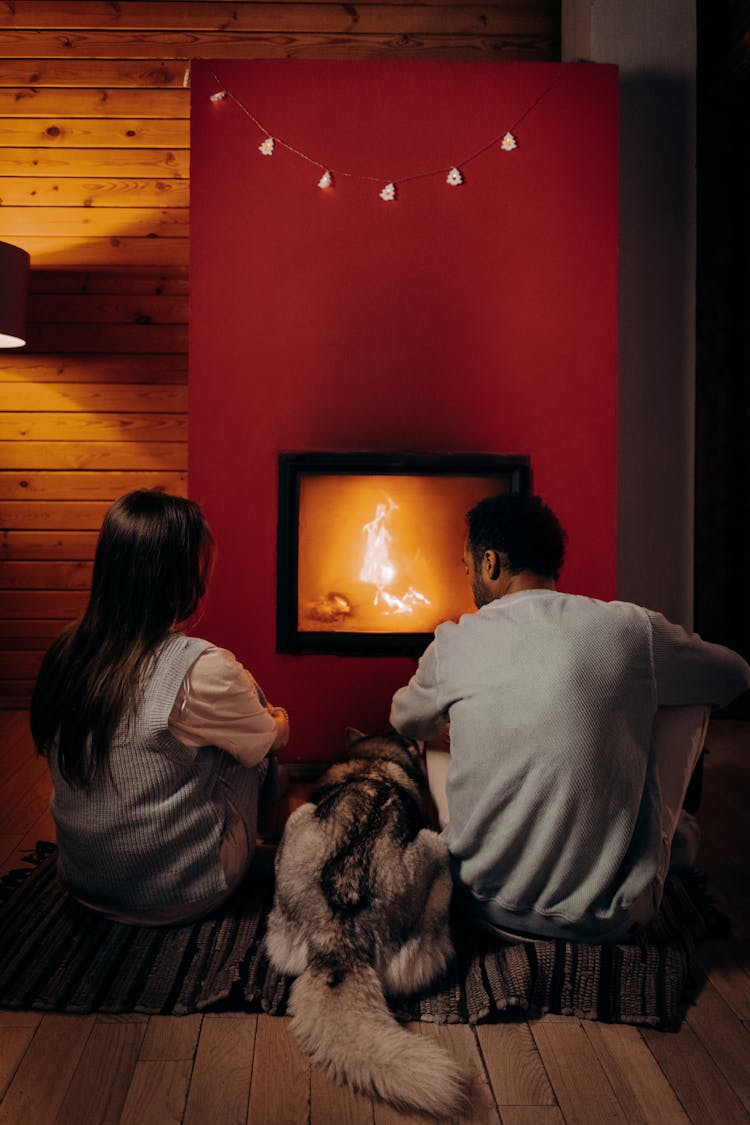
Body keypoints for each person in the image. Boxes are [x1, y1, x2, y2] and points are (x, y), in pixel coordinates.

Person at [389, 493, 750, 943]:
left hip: (479, 906)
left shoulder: (454, 641)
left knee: (434, 741)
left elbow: (404, 720)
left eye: (467, 568)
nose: (469, 579)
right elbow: (734, 676)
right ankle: (655, 842)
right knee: (692, 694)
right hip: (606, 919)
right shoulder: (630, 627)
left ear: (490, 563)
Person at [30, 489, 290, 925]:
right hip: (177, 894)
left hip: (83, 881)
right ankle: (277, 858)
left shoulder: (64, 652)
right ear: (178, 577)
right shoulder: (198, 667)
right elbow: (264, 741)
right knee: (260, 757)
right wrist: (277, 722)